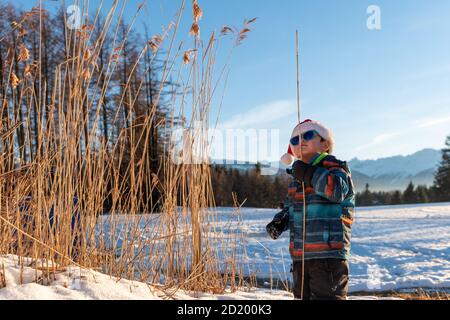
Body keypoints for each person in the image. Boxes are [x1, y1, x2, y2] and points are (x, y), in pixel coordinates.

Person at [266, 119, 355, 300]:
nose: (301, 141)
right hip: (300, 257)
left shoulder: (336, 169)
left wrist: (308, 173)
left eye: (307, 135)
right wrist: (281, 220)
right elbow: (292, 207)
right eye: (294, 140)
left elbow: (337, 191)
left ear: (325, 144)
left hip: (328, 256)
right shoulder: (296, 178)